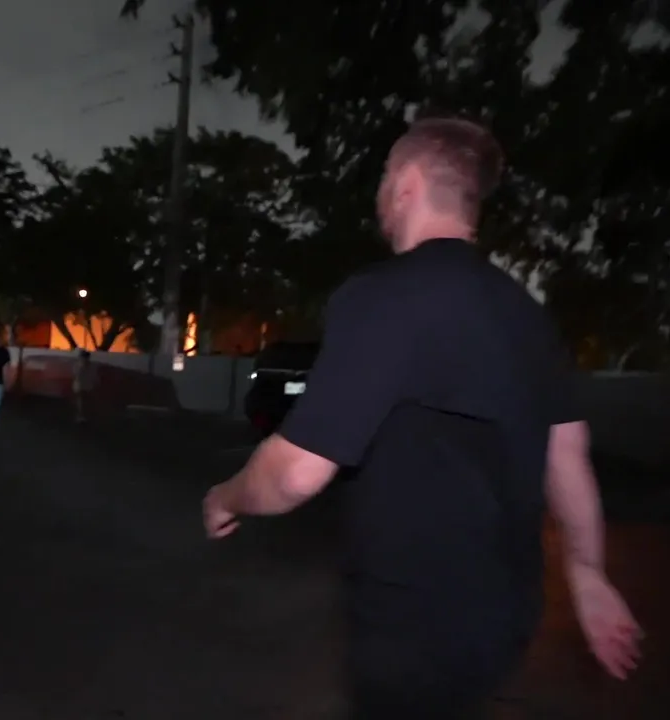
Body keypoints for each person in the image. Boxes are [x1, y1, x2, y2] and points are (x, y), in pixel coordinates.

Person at [202, 117, 640, 717]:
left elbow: (296, 472)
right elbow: (566, 454)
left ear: (406, 183)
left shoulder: (383, 296)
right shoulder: (525, 314)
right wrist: (587, 572)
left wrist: (226, 497)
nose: (380, 193)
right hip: (504, 624)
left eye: (385, 176)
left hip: (411, 632)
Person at [71, 350, 98, 423]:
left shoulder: (88, 366)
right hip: (81, 386)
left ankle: (82, 416)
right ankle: (81, 416)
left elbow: (93, 376)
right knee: (81, 401)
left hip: (85, 386)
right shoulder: (79, 365)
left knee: (83, 401)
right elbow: (76, 375)